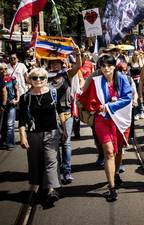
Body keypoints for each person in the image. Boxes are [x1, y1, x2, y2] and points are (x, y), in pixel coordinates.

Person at [79, 55, 133, 201]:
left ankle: (115, 173)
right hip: (102, 120)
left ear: (114, 66)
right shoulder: (96, 81)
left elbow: (128, 97)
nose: (106, 69)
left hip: (120, 119)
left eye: (109, 65)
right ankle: (112, 188)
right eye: (103, 66)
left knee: (119, 149)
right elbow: (87, 98)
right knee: (109, 152)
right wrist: (95, 106)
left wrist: (110, 105)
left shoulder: (122, 78)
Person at [18, 67, 66, 207]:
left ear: (46, 79)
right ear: (30, 80)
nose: (38, 80)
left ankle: (51, 190)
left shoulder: (53, 93)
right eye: (35, 78)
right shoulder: (25, 97)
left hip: (52, 133)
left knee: (51, 160)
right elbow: (21, 119)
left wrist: (64, 129)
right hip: (33, 134)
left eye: (41, 78)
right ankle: (39, 188)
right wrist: (22, 137)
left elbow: (60, 110)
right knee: (36, 162)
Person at [47, 47, 82, 184]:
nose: (55, 65)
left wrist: (77, 53)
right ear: (49, 65)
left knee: (66, 142)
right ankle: (56, 169)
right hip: (51, 114)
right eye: (53, 63)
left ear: (61, 64)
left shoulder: (66, 74)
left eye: (57, 63)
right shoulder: (44, 76)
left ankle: (66, 171)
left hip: (67, 112)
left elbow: (78, 65)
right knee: (54, 143)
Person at [0, 63, 18, 150]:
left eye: (5, 69)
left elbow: (16, 89)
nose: (3, 71)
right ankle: (3, 141)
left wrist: (17, 99)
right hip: (2, 105)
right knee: (3, 124)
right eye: (1, 69)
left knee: (10, 124)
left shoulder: (12, 78)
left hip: (11, 104)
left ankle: (10, 143)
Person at [129, 51, 144, 120]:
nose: (135, 56)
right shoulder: (130, 63)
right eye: (134, 55)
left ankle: (141, 111)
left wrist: (141, 60)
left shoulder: (141, 63)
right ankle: (136, 113)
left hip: (140, 81)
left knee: (140, 96)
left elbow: (143, 71)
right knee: (134, 96)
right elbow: (128, 73)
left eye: (137, 55)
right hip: (132, 81)